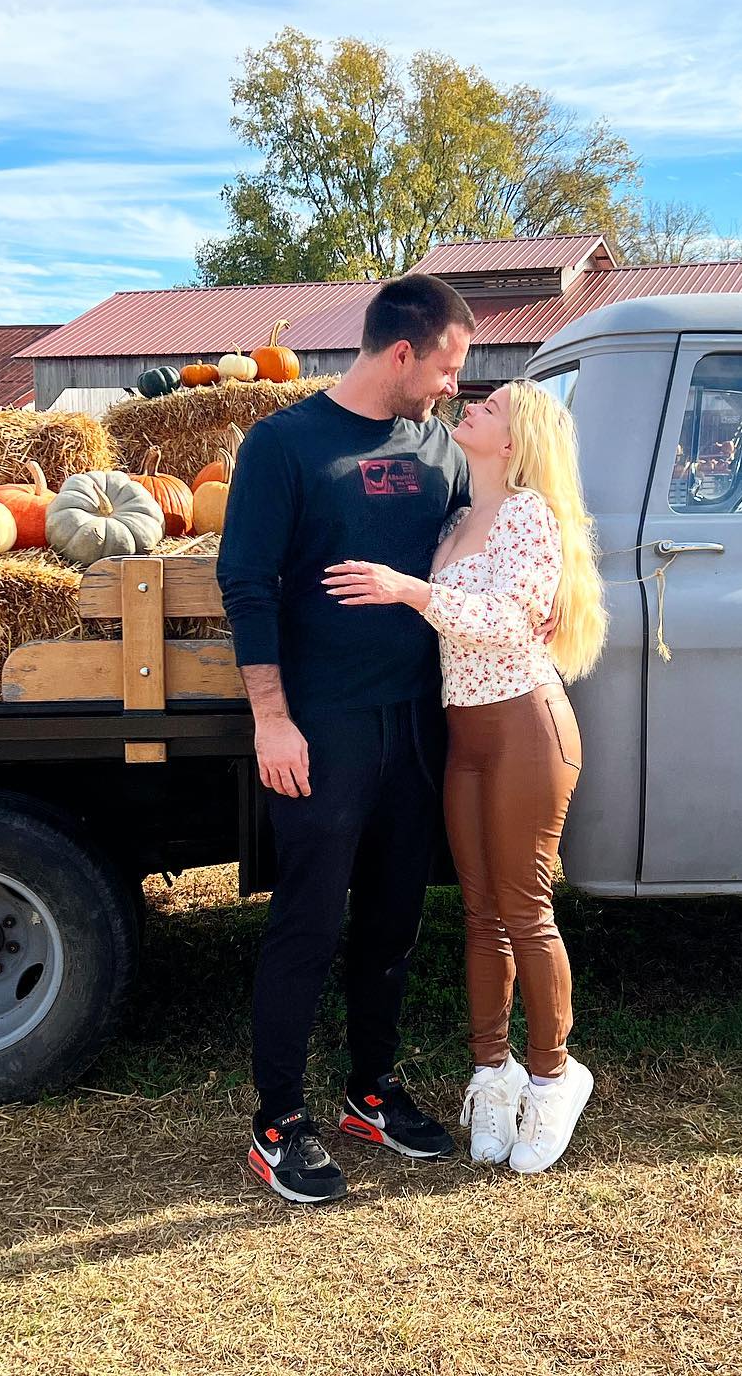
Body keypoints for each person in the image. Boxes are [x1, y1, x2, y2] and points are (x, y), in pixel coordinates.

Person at [217, 273, 474, 1205]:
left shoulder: (441, 448)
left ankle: (371, 1090)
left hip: (416, 724)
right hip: (321, 726)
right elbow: (245, 584)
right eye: (447, 366)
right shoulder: (284, 444)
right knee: (308, 923)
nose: (453, 385)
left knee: (395, 921)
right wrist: (272, 718)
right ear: (401, 353)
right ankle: (278, 1120)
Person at [323, 380, 607, 1174]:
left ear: (516, 442)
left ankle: (554, 1075)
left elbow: (505, 619)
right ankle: (493, 1072)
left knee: (526, 907)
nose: (473, 407)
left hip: (525, 728)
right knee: (480, 911)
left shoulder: (528, 516)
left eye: (492, 408)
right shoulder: (456, 518)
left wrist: (410, 590)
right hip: (467, 734)